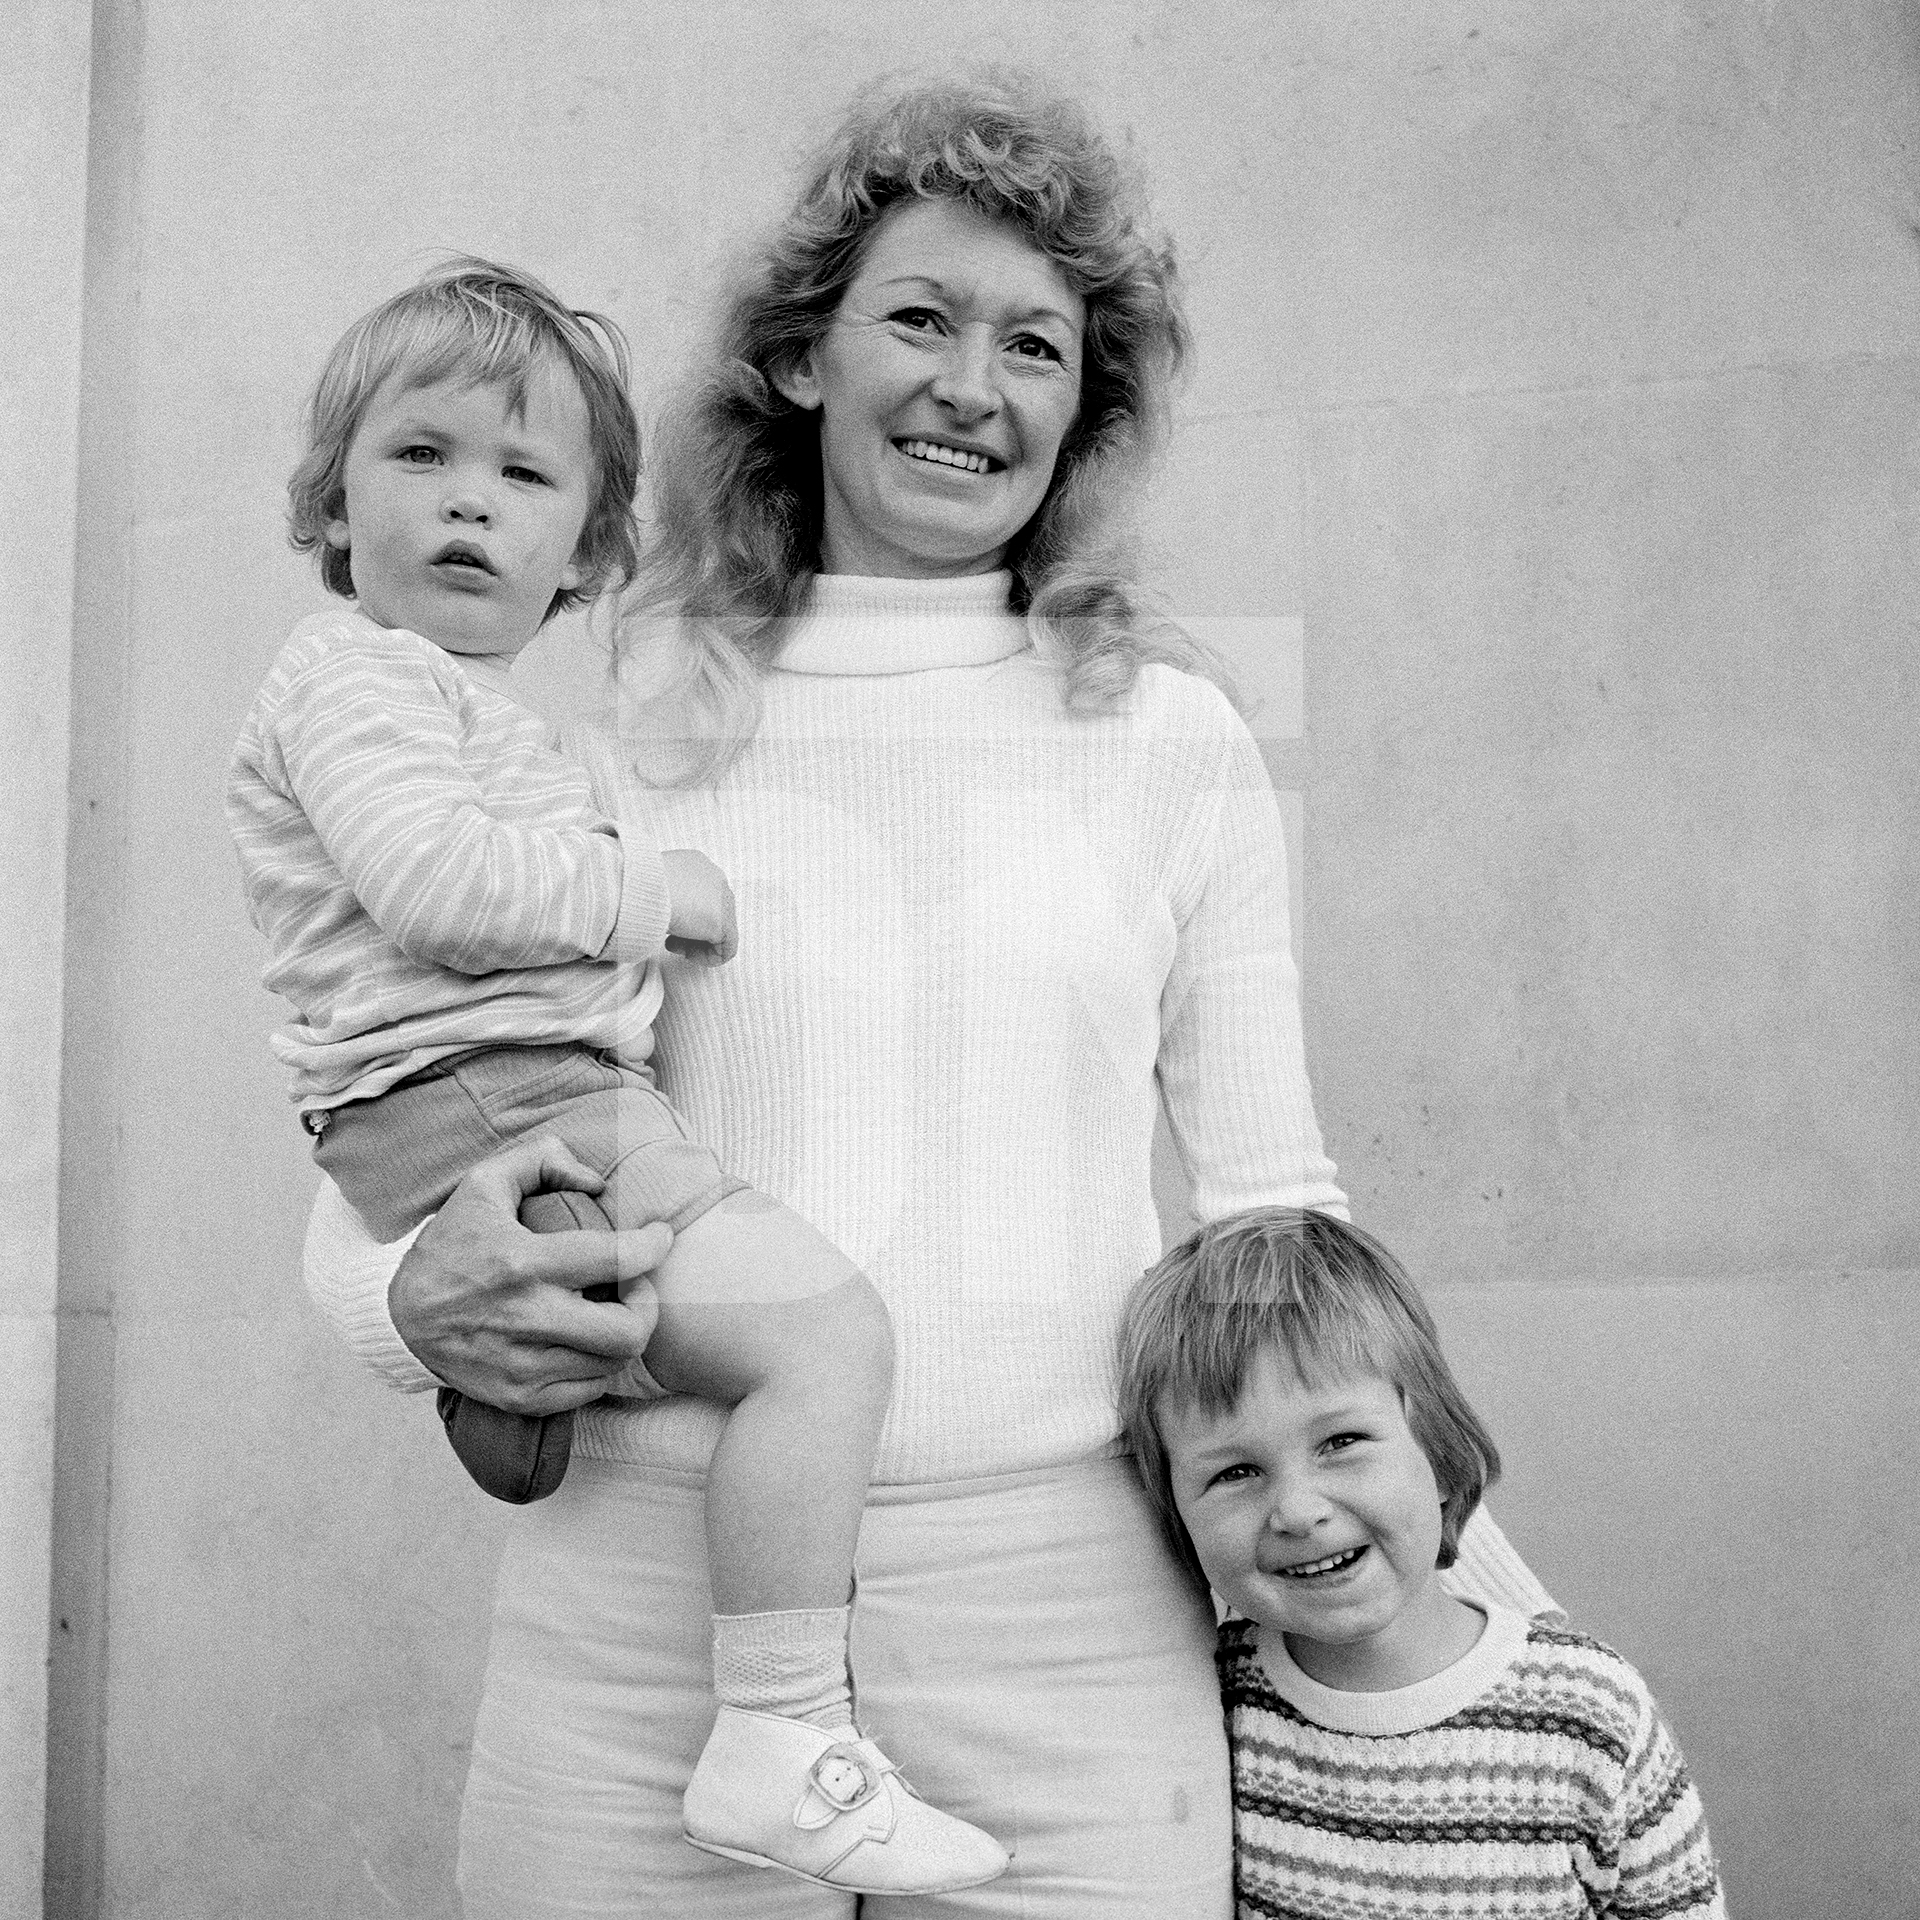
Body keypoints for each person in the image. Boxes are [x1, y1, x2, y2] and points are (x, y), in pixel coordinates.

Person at [301, 75, 1559, 1916]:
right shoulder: (626, 722)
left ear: (1084, 410)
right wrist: (411, 1304)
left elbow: (1278, 1217)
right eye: (921, 317)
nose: (976, 385)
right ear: (803, 358)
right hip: (647, 1611)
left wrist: (1491, 1613)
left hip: (1067, 1620)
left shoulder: (1173, 738)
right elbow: (383, 1136)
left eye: (1036, 345)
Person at [229, 258, 1006, 1895]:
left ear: (586, 541)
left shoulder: (499, 719)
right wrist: (663, 903)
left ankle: (536, 1412)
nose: (466, 508)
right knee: (822, 1335)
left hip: (544, 1111)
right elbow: (441, 921)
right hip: (513, 1118)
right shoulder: (392, 685)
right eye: (421, 458)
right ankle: (782, 1734)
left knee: (738, 1331)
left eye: (520, 477)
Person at [1117, 1207, 1726, 1919]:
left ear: (1437, 1454)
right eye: (1235, 1473)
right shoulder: (1212, 1705)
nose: (1297, 1510)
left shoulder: (1589, 1711)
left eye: (1341, 1441)